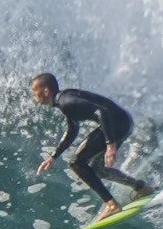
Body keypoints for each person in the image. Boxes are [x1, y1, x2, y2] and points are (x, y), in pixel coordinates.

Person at [33, 71, 153, 220]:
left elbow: (101, 111)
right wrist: (53, 157)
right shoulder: (64, 101)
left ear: (45, 91)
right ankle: (141, 188)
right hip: (122, 122)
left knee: (76, 162)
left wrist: (110, 144)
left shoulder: (66, 101)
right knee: (98, 169)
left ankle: (111, 205)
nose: (34, 95)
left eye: (35, 90)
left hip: (116, 124)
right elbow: (72, 130)